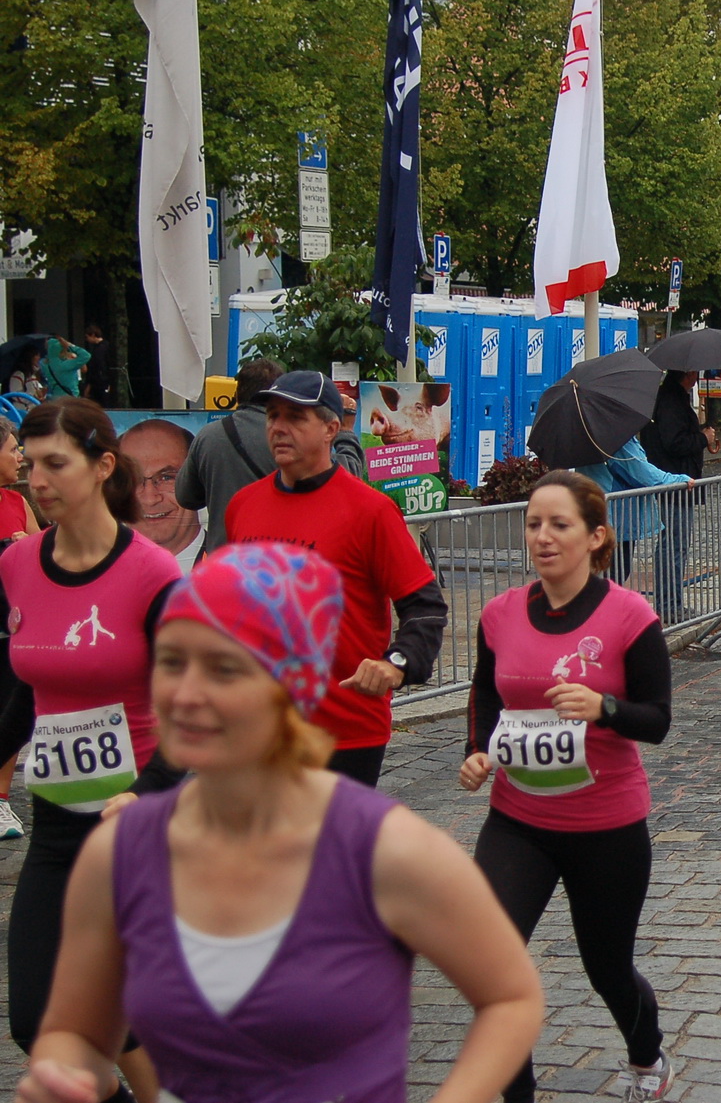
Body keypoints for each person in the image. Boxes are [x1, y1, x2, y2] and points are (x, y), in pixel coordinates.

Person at [16, 542, 543, 1103]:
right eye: (170, 661)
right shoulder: (120, 852)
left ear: (288, 687)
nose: (186, 694)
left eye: (224, 668)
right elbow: (75, 1032)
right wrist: (62, 1072)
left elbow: (511, 998)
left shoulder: (385, 849)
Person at [461, 473, 677, 1103]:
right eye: (533, 524)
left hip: (605, 825)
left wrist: (605, 708)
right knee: (490, 966)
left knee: (606, 967)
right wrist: (477, 752)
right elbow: (485, 697)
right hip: (518, 820)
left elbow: (658, 721)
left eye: (559, 525)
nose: (543, 537)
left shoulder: (630, 616)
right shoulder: (499, 615)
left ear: (596, 536)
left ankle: (647, 1059)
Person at [0, 398, 184, 1100]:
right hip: (55, 818)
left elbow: (191, 708)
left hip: (137, 821)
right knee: (34, 1017)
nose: (36, 480)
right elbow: (29, 690)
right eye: (28, 465)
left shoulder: (152, 576)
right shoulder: (18, 564)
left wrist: (144, 789)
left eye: (55, 464)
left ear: (104, 466)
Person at [225, 371, 448, 787]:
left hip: (343, 730)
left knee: (328, 852)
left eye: (295, 417)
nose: (278, 427)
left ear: (331, 429)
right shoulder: (243, 506)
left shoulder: (370, 511)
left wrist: (396, 664)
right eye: (273, 415)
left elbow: (425, 608)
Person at [177, 359, 365, 555]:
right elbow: (348, 476)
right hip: (287, 565)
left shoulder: (208, 437)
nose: (278, 431)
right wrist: (345, 432)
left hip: (229, 566)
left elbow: (186, 496)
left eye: (295, 418)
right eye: (274, 418)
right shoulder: (294, 443)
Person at [640, 371, 717, 621]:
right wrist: (702, 438)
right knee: (674, 545)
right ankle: (669, 605)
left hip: (678, 480)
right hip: (675, 482)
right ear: (687, 372)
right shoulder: (671, 400)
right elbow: (674, 443)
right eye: (695, 372)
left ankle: (672, 603)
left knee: (676, 544)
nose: (697, 377)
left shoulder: (671, 397)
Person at [576, 435, 690, 592]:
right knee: (613, 576)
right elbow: (639, 472)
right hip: (617, 515)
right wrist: (679, 480)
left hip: (596, 512)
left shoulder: (587, 433)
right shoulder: (616, 436)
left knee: (602, 575)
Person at [0, 418, 38, 842]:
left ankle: (1, 798)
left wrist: (23, 548)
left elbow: (41, 550)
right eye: (12, 449)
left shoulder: (17, 502)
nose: (20, 457)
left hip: (11, 627)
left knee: (10, 713)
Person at [118, 420, 203, 575]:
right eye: (134, 480)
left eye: (167, 478)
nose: (150, 498)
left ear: (197, 481)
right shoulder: (93, 573)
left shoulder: (236, 570)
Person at [79, 325, 111, 408]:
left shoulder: (101, 348)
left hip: (100, 382)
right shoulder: (101, 347)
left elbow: (98, 367)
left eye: (87, 337)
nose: (87, 340)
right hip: (99, 382)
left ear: (93, 335)